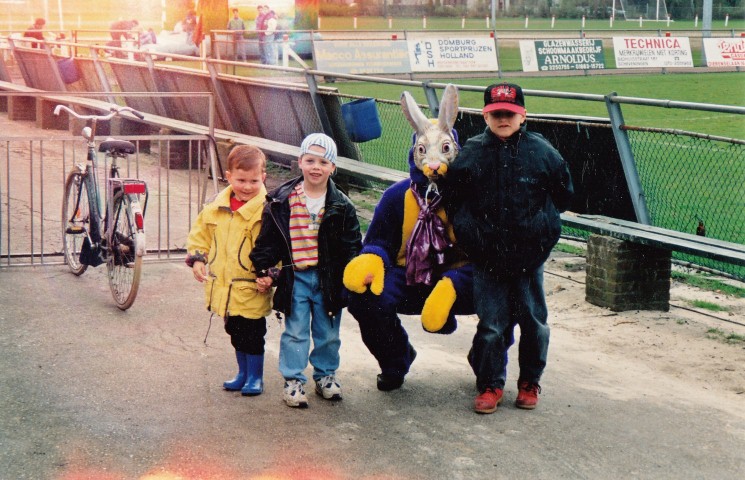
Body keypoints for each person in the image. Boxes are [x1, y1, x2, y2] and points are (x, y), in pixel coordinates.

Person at [444, 83, 574, 414]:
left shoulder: (542, 152)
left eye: (510, 114)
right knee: (491, 325)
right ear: (485, 116)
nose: (504, 119)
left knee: (534, 323)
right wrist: (472, 237)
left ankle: (530, 381)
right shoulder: (472, 153)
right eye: (497, 113)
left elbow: (563, 196)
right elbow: (453, 200)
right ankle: (490, 384)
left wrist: (541, 233)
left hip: (530, 257)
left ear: (523, 115)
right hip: (487, 258)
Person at [250, 133, 362, 408]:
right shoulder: (282, 200)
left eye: (323, 162)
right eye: (310, 160)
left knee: (328, 333)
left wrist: (352, 276)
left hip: (328, 279)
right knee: (296, 331)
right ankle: (293, 380)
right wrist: (263, 269)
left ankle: (325, 376)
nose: (316, 167)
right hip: (296, 277)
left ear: (333, 167)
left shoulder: (342, 205)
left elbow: (351, 245)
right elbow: (269, 239)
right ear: (300, 162)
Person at [185, 145, 273, 397]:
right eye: (241, 180)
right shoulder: (215, 207)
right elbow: (200, 235)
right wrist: (198, 258)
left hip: (251, 285)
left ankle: (255, 376)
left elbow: (275, 245)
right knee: (234, 330)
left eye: (254, 181)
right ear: (229, 176)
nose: (247, 186)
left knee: (253, 333)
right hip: (224, 285)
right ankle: (242, 373)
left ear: (263, 177)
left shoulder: (268, 210)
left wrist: (270, 274)